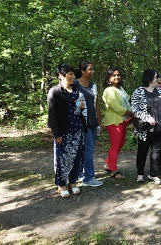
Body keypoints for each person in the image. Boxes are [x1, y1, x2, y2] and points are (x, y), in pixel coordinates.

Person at [47, 64, 84, 198]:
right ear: (60, 76)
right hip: (63, 131)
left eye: (73, 74)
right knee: (62, 159)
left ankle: (73, 183)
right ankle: (62, 184)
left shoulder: (76, 90)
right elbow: (52, 115)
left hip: (77, 130)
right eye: (69, 74)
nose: (72, 76)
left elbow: (79, 110)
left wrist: (80, 108)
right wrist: (57, 133)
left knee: (75, 157)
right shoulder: (55, 91)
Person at [131, 69, 161, 184]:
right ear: (149, 79)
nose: (158, 79)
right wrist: (146, 117)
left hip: (159, 129)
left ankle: (153, 174)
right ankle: (140, 174)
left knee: (156, 154)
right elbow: (134, 109)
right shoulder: (139, 91)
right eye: (155, 77)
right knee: (142, 152)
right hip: (145, 129)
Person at [74, 60, 103, 187]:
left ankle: (83, 175)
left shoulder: (93, 86)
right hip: (79, 123)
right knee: (85, 150)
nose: (92, 71)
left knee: (87, 150)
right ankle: (88, 178)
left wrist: (99, 122)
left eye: (93, 69)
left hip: (92, 122)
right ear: (82, 71)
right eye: (90, 69)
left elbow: (96, 104)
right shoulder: (74, 85)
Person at [102, 68, 133, 179]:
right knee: (115, 145)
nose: (117, 77)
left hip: (123, 120)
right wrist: (129, 112)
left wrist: (131, 113)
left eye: (118, 75)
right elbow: (114, 106)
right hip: (114, 121)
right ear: (109, 78)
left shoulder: (121, 89)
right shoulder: (108, 90)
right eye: (113, 75)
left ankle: (108, 164)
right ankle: (113, 170)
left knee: (120, 143)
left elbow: (126, 101)